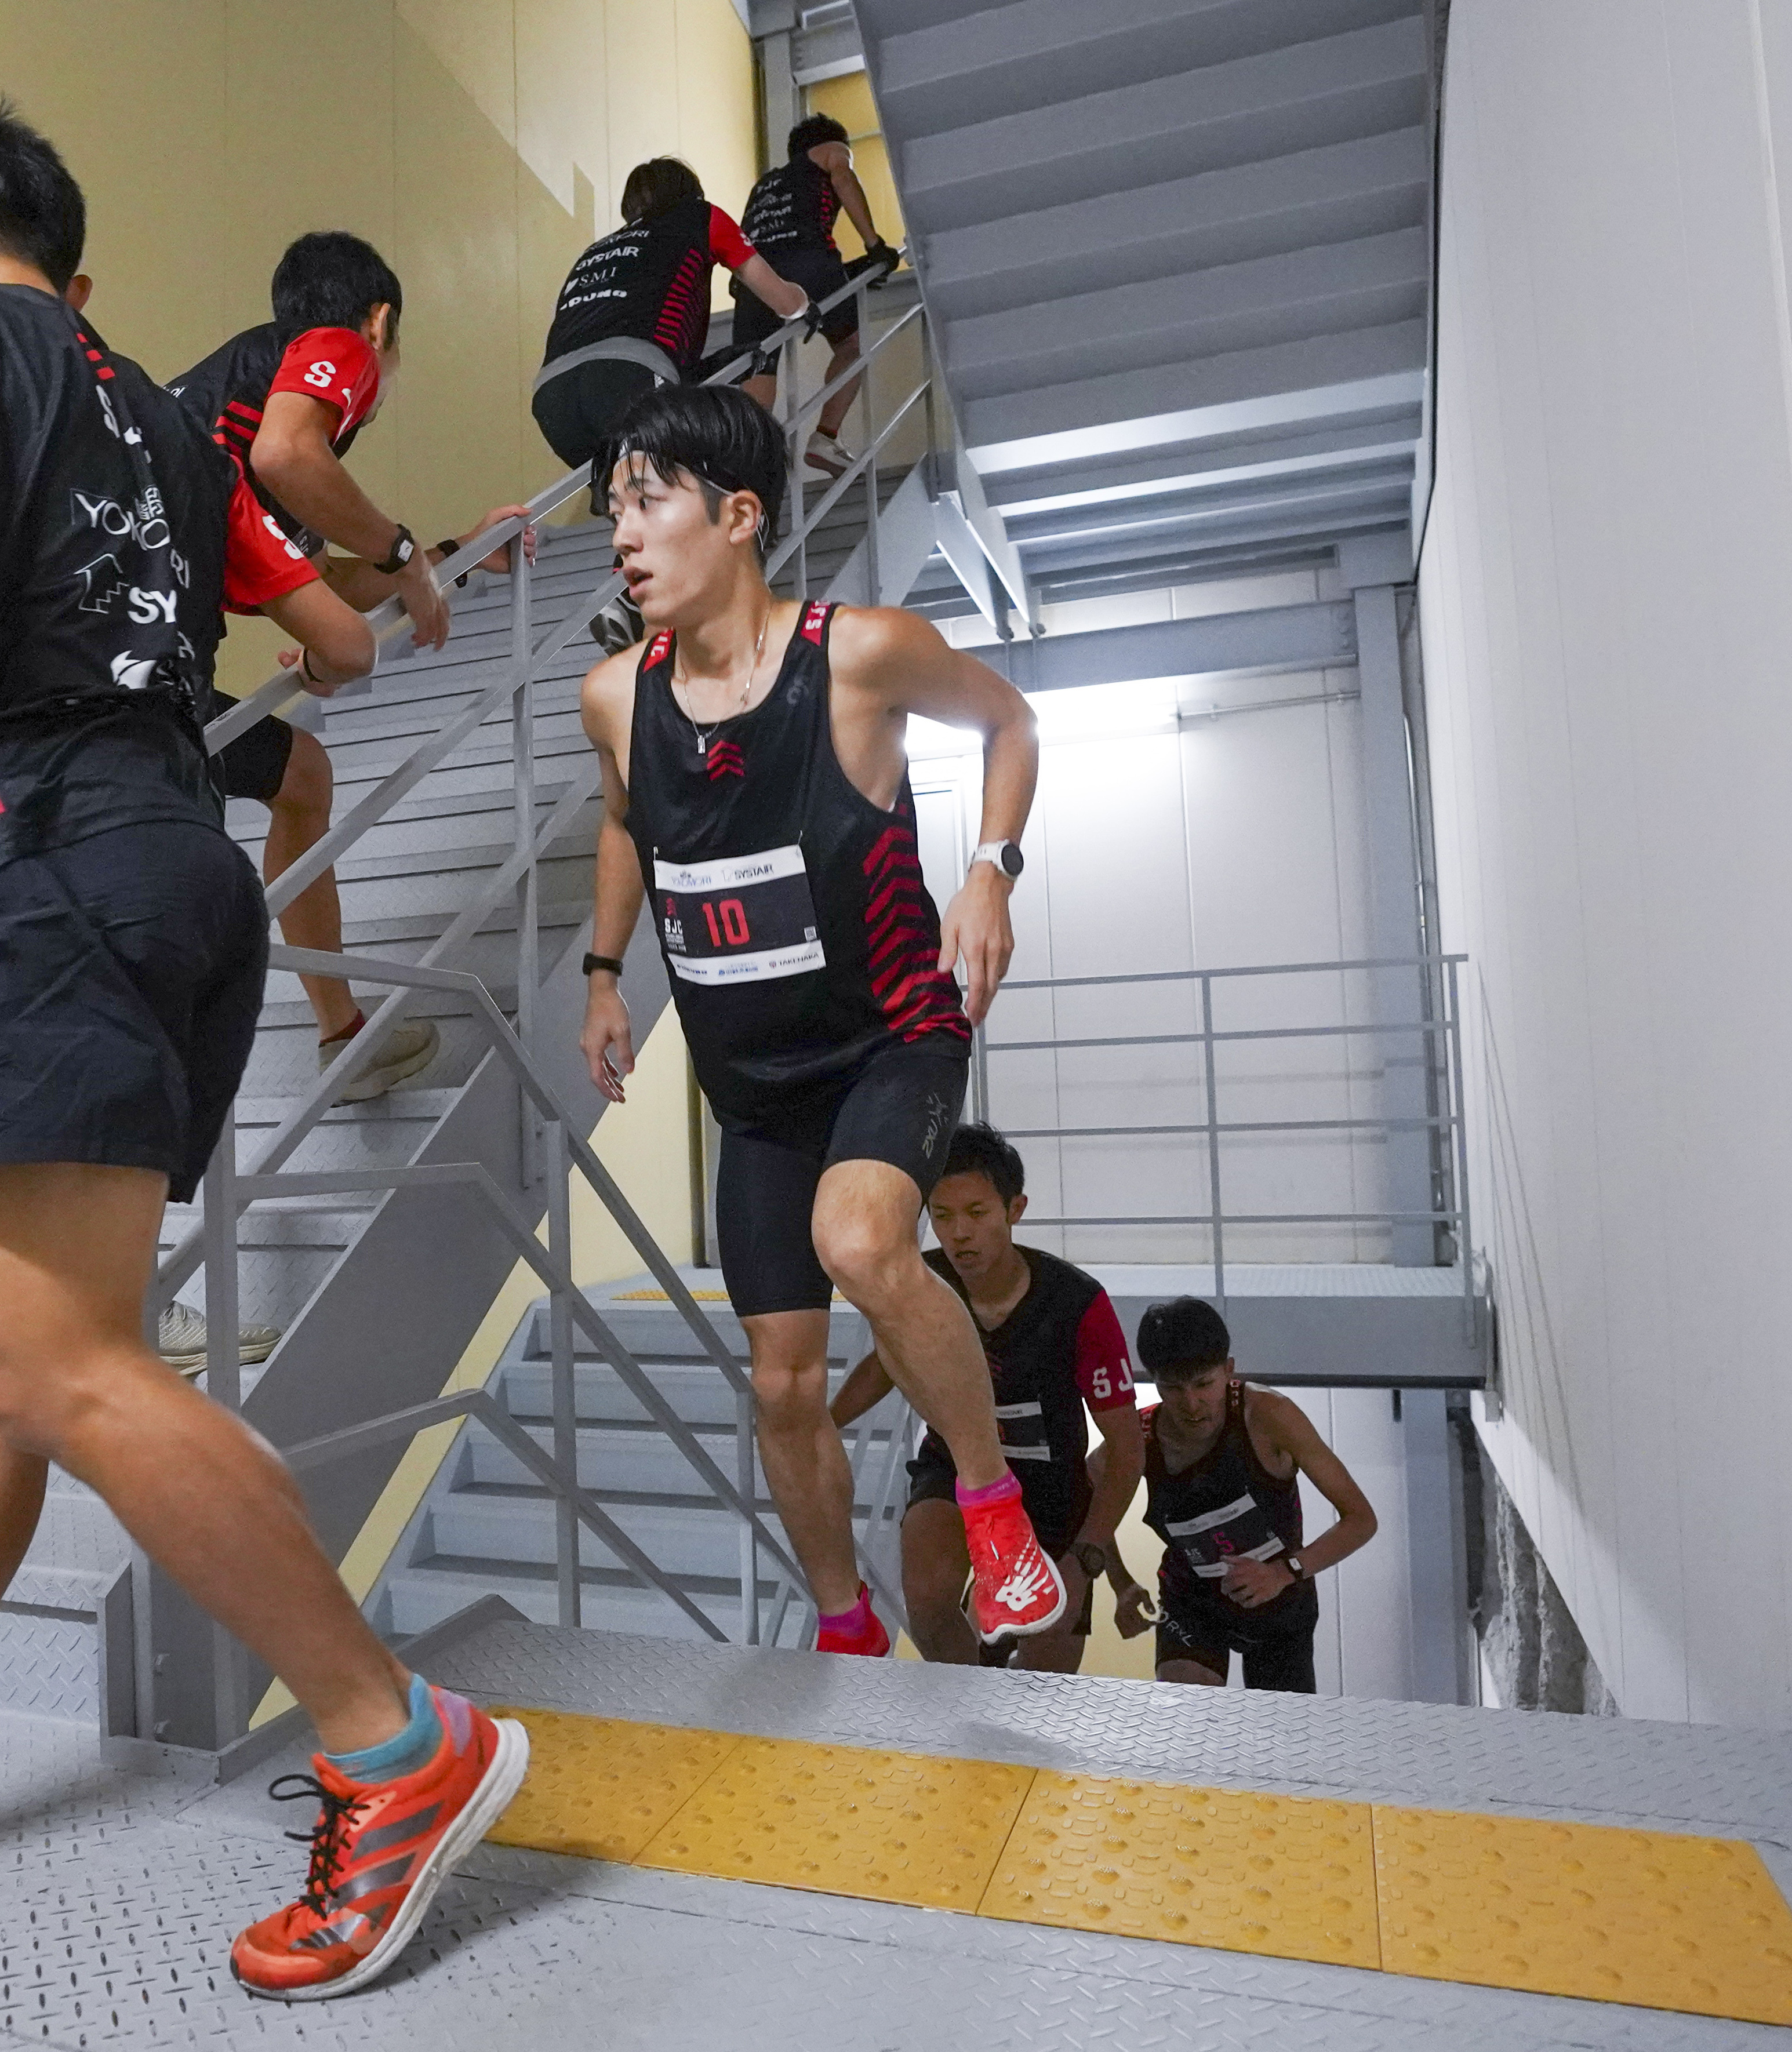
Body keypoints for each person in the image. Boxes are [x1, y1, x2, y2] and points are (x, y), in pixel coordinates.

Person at [0, 100, 525, 2001]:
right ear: (84, 278)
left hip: (40, 868)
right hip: (188, 883)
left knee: (53, 1358)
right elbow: (340, 640)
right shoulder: (153, 407)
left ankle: (396, 1745)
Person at [576, 381, 1063, 1659]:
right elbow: (627, 821)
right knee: (784, 1385)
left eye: (649, 502)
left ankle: (994, 1509)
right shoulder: (616, 696)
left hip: (894, 1034)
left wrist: (990, 867)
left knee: (860, 1240)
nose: (622, 535)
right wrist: (598, 972)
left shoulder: (859, 653)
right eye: (611, 510)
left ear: (738, 516)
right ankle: (846, 1623)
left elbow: (1010, 718)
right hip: (756, 1085)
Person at [170, 232, 529, 1104]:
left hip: (129, 649)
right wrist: (405, 553)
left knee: (301, 770)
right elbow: (290, 457)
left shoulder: (223, 424)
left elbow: (321, 576)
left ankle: (342, 1032)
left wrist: (450, 554)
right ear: (380, 320)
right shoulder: (337, 352)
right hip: (133, 661)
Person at [829, 1125, 1140, 1671]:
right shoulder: (922, 1279)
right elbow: (885, 1365)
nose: (959, 1235)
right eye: (942, 1216)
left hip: (1052, 1493)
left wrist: (1087, 1558)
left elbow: (1127, 1450)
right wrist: (819, 1422)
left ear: (1014, 1209)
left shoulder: (1079, 1304)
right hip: (954, 1468)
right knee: (925, 1597)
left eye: (977, 1213)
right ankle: (972, 1705)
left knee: (1048, 1681)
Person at [532, 157, 809, 650]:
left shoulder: (599, 249)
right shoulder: (700, 218)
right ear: (691, 192)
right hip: (628, 375)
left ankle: (648, 603)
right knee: (713, 467)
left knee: (648, 485)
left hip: (554, 401)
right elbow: (780, 299)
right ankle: (629, 591)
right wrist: (804, 302)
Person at [1097, 1296, 1380, 1693]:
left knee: (1283, 1739)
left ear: (1229, 1371)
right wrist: (1120, 1581)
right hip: (1191, 1603)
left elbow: (1361, 1520)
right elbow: (1086, 1500)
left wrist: (1285, 1572)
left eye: (1204, 1385)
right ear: (1153, 1380)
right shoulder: (1140, 1437)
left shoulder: (1269, 1416)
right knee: (1189, 1719)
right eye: (1173, 1388)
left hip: (1281, 1600)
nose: (1192, 1405)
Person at [735, 114, 898, 473]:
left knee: (759, 366)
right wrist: (875, 246)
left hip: (755, 280)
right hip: (809, 262)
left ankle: (755, 463)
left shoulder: (763, 185)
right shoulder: (831, 150)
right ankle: (825, 438)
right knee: (851, 346)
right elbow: (843, 178)